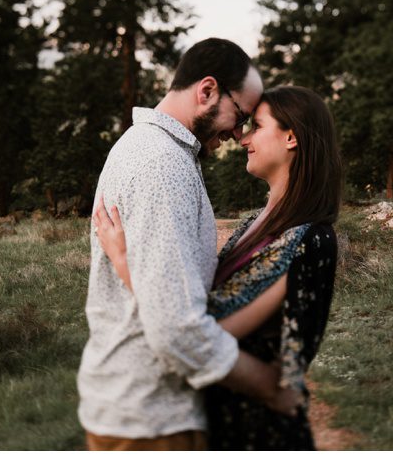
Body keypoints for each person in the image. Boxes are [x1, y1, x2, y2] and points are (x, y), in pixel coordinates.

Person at [77, 38, 297, 451]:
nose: (237, 133)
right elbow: (176, 329)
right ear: (207, 91)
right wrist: (270, 386)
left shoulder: (151, 149)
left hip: (137, 409)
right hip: (152, 419)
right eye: (240, 115)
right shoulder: (161, 165)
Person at [94, 85, 342, 450]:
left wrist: (125, 263)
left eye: (256, 126)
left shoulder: (309, 240)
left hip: (258, 434)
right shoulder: (256, 224)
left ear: (292, 138)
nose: (242, 139)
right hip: (220, 423)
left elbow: (205, 324)